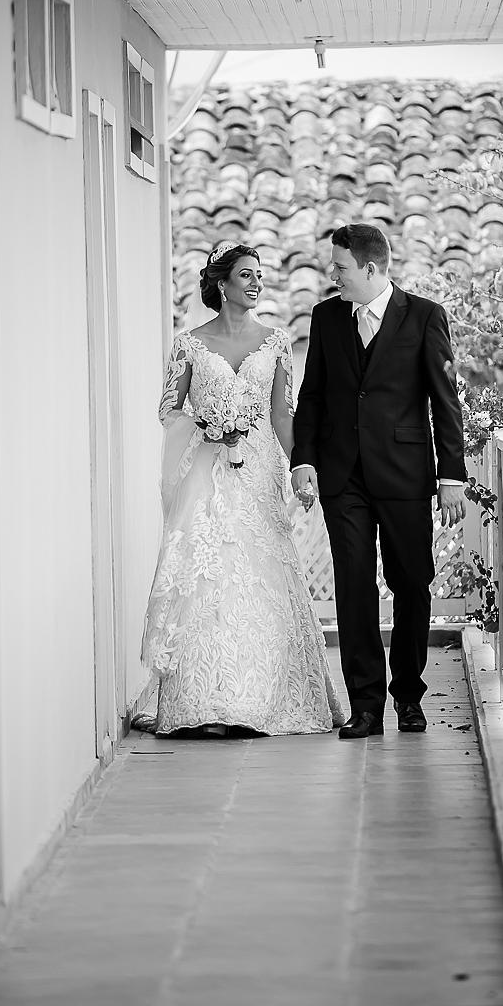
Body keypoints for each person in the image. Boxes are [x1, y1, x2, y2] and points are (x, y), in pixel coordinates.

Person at [141, 241, 344, 738]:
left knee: (261, 576)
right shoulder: (189, 344)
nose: (257, 283)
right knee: (208, 577)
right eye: (247, 275)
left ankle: (259, 699)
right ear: (222, 283)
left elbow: (282, 415)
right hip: (206, 475)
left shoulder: (275, 342)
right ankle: (205, 700)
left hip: (257, 475)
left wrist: (301, 467)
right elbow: (169, 410)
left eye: (259, 275)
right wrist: (207, 426)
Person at [291, 223, 467, 739]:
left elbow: (445, 400)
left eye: (340, 267)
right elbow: (313, 394)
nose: (333, 275)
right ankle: (365, 705)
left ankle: (408, 695)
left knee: (411, 580)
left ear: (370, 268)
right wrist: (303, 460)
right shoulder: (326, 317)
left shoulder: (425, 316)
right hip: (342, 474)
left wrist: (451, 475)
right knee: (353, 585)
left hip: (404, 473)